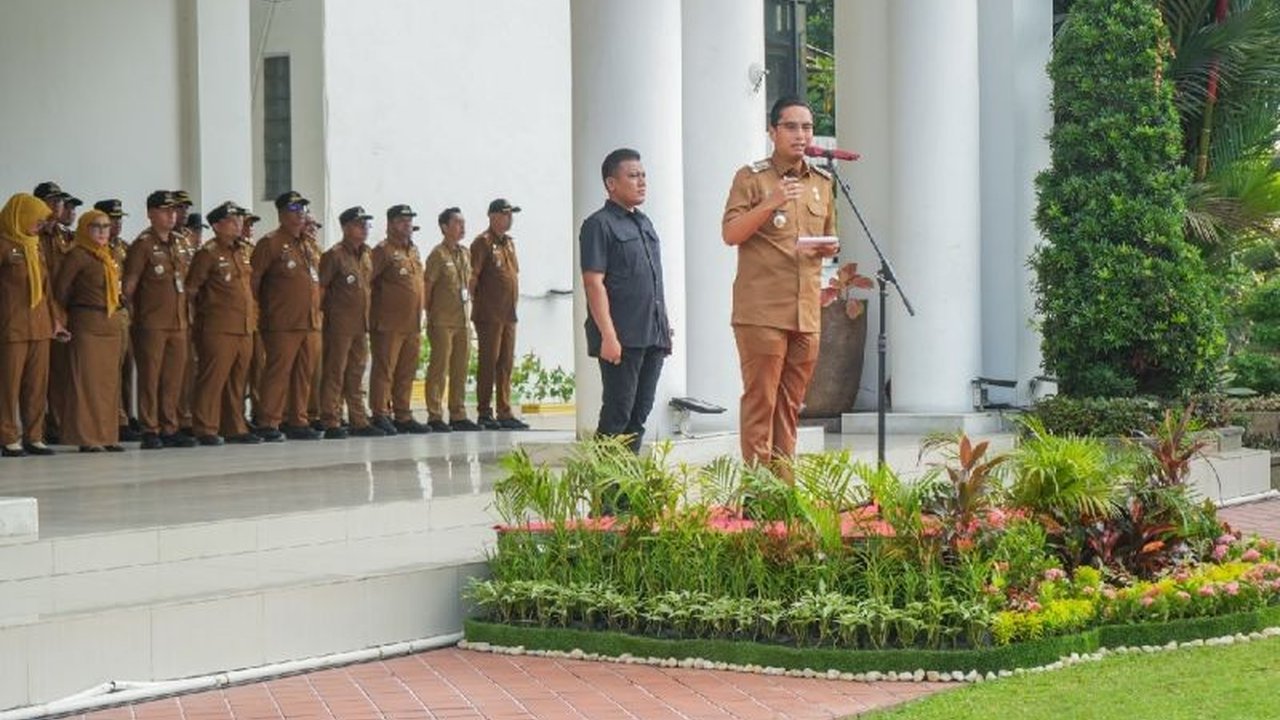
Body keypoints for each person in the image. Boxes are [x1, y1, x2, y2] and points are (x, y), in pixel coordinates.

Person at [721, 96, 838, 469]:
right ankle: (758, 492)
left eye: (807, 127)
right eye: (791, 126)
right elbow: (731, 233)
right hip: (762, 312)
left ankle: (782, 492)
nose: (801, 134)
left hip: (806, 312)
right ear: (772, 131)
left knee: (790, 405)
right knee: (762, 401)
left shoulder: (822, 182)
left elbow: (827, 239)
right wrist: (770, 202)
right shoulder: (752, 178)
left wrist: (828, 250)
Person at [578, 148, 671, 453]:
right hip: (621, 339)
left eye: (643, 175)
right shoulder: (598, 225)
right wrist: (608, 335)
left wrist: (664, 326)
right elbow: (593, 282)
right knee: (617, 415)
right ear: (611, 183)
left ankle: (627, 495)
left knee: (638, 417)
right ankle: (606, 497)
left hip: (652, 336)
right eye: (633, 176)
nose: (641, 182)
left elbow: (653, 281)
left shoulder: (644, 223)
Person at [122, 190, 196, 449]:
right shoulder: (142, 245)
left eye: (174, 211)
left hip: (178, 321)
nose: (172, 215)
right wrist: (130, 318)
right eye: (166, 211)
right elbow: (129, 286)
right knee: (150, 377)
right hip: (151, 323)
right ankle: (150, 428)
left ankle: (170, 426)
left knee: (173, 378)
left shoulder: (179, 242)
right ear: (151, 213)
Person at [185, 201, 261, 446]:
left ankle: (234, 426)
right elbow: (191, 290)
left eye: (239, 220)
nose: (238, 224)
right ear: (217, 225)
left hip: (244, 327)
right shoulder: (207, 253)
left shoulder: (242, 251)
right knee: (213, 379)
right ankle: (205, 427)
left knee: (237, 380)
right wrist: (195, 322)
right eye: (232, 220)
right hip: (217, 327)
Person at [249, 190, 323, 441]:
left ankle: (298, 420)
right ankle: (269, 420)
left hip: (309, 321)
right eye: (294, 210)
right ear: (281, 214)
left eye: (302, 209)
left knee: (304, 373)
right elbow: (254, 281)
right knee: (278, 372)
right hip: (282, 322)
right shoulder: (270, 243)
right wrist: (263, 310)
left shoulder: (308, 244)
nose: (300, 214)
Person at [52, 211, 126, 452]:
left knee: (108, 383)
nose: (103, 231)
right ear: (85, 229)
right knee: (87, 382)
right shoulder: (77, 256)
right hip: (87, 322)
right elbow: (61, 291)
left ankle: (107, 435)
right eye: (96, 227)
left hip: (110, 323)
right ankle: (87, 437)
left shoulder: (108, 256)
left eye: (106, 226)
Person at [0, 193, 61, 456]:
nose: (39, 225)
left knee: (37, 384)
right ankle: (7, 436)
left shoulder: (35, 246)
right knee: (7, 385)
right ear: (20, 216)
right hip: (11, 326)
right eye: (36, 219)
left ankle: (34, 436)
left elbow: (46, 290)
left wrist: (55, 321)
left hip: (40, 326)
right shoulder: (3, 244)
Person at [317, 206, 380, 439]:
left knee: (356, 372)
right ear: (345, 228)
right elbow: (321, 289)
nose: (364, 229)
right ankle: (330, 419)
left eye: (366, 224)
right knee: (335, 371)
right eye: (358, 224)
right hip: (339, 324)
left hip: (360, 325)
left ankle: (358, 419)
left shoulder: (367, 254)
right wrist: (320, 317)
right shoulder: (333, 255)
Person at [368, 204, 428, 435]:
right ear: (390, 224)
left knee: (406, 370)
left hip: (411, 323)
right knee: (385, 369)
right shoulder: (382, 251)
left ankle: (402, 413)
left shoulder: (413, 250)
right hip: (388, 323)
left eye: (409, 220)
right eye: (402, 220)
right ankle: (380, 412)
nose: (408, 224)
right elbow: (368, 283)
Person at [470, 198, 528, 431]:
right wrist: (477, 305)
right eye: (505, 214)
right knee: (488, 362)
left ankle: (504, 410)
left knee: (505, 363)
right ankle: (485, 411)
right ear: (493, 216)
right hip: (489, 314)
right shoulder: (482, 243)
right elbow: (473, 278)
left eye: (511, 214)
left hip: (508, 314)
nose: (509, 218)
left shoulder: (509, 244)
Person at [423, 207, 480, 432]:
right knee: (439, 368)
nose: (462, 227)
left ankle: (458, 413)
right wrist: (428, 314)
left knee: (460, 368)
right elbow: (427, 287)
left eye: (463, 223)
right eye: (457, 223)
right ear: (445, 227)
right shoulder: (437, 255)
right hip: (442, 321)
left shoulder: (465, 253)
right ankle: (435, 415)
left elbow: (469, 285)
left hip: (462, 321)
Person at [94, 199, 140, 441]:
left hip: (124, 314)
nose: (117, 224)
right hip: (104, 315)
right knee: (110, 369)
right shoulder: (93, 248)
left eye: (120, 219)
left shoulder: (122, 247)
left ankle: (128, 415)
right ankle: (116, 418)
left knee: (127, 367)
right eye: (112, 219)